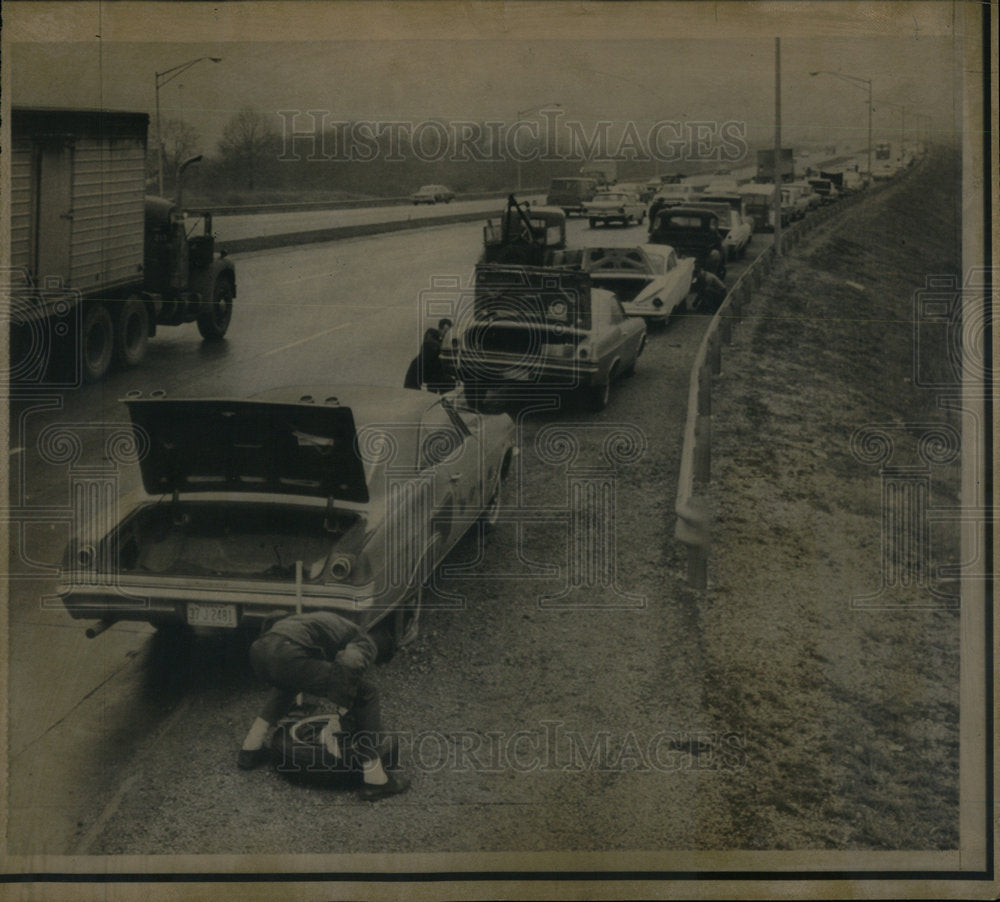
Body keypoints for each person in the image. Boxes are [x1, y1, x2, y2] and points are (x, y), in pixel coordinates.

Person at [238, 611, 410, 801]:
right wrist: (343, 711)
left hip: (259, 651)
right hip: (288, 652)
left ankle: (250, 750)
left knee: (289, 683)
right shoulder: (364, 640)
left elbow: (275, 628)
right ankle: (376, 780)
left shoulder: (323, 624)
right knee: (367, 694)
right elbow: (350, 664)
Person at [403, 318, 455, 394]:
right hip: (421, 372)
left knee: (445, 381)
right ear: (439, 329)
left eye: (448, 332)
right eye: (445, 331)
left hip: (427, 373)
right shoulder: (432, 340)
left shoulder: (439, 342)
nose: (446, 334)